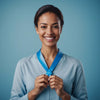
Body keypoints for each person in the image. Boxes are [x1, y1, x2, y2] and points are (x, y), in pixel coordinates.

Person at [10, 5, 88, 100]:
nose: (49, 32)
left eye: (55, 26)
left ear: (61, 29)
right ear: (37, 29)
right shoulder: (23, 65)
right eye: (43, 26)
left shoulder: (75, 65)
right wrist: (33, 93)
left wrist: (63, 95)